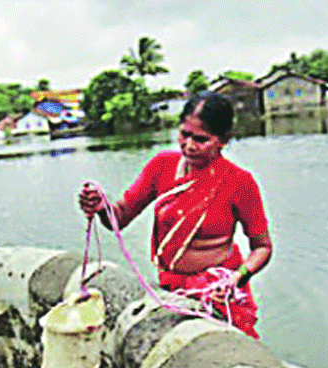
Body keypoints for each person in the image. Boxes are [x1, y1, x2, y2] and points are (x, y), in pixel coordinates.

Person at [78, 92, 272, 338]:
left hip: (217, 290)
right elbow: (120, 218)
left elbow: (262, 247)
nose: (189, 146)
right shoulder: (161, 166)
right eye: (184, 134)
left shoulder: (239, 182)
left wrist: (236, 278)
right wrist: (100, 205)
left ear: (223, 140)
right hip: (171, 287)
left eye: (201, 139)